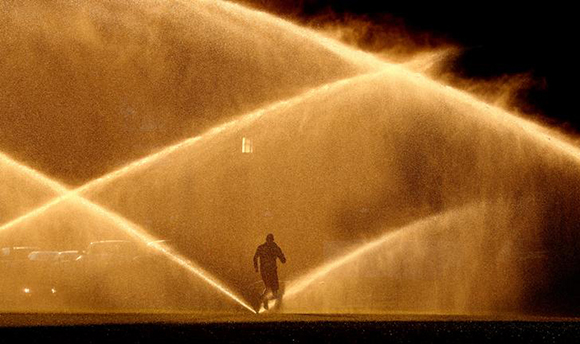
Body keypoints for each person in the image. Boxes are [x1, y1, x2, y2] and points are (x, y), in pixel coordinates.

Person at [253, 233, 286, 310]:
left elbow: (282, 258)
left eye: (270, 240)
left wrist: (256, 268)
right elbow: (255, 257)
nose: (270, 242)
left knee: (274, 291)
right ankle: (264, 299)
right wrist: (256, 268)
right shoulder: (270, 247)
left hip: (271, 271)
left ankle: (264, 299)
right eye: (269, 240)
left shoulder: (269, 247)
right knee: (268, 287)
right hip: (266, 271)